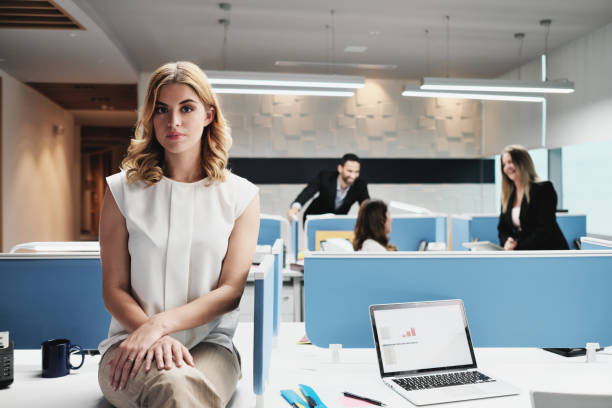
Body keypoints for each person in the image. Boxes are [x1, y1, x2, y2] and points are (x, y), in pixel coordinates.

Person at [97, 61, 260, 408]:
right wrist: (150, 333)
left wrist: (160, 326)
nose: (173, 121)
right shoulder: (120, 191)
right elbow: (114, 289)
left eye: (187, 108)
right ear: (150, 119)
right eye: (162, 110)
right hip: (132, 341)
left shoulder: (241, 196)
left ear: (209, 115)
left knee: (182, 387)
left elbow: (230, 291)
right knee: (173, 388)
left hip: (210, 345)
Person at [497, 144, 568, 250]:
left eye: (510, 162)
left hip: (548, 251)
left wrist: (517, 247)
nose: (507, 167)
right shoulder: (508, 194)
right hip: (524, 252)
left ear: (523, 163)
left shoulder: (543, 189)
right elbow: (502, 228)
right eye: (504, 164)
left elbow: (544, 229)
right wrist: (507, 241)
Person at [286, 153, 369, 223]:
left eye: (356, 172)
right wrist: (295, 207)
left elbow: (366, 203)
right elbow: (308, 191)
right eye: (350, 171)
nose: (353, 175)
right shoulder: (325, 177)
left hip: (337, 222)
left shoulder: (360, 185)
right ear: (340, 168)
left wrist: (374, 216)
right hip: (315, 218)